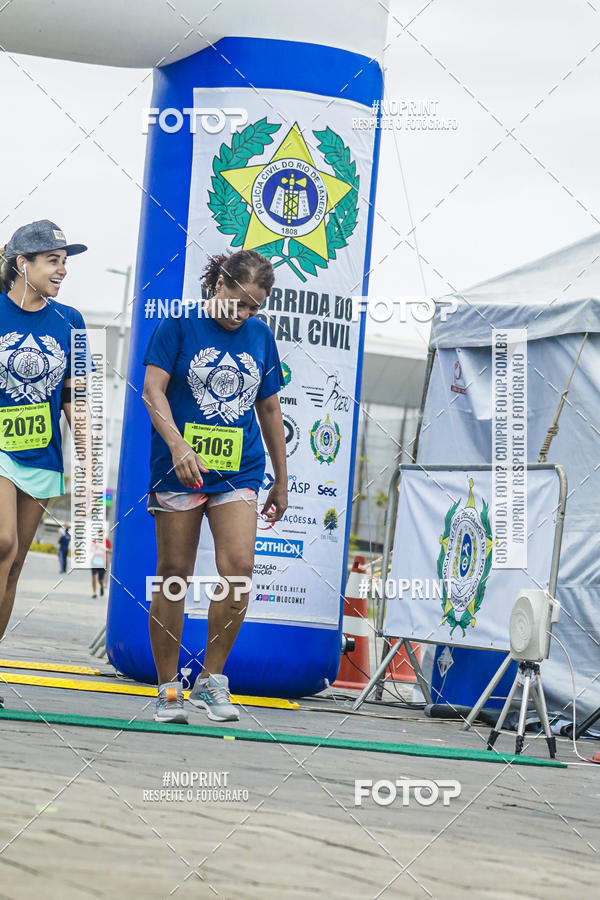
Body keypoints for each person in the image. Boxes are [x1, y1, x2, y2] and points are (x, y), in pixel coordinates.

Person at [143, 249, 287, 724]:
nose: (243, 314)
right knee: (174, 571)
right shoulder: (177, 327)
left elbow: (269, 410)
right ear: (218, 284)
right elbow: (153, 391)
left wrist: (280, 479)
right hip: (180, 467)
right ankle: (167, 689)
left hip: (239, 471)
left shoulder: (261, 338)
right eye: (238, 302)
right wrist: (179, 446)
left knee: (240, 567)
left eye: (254, 308)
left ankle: (211, 680)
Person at [0, 220, 89, 709]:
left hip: (42, 457)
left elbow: (76, 397)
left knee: (12, 568)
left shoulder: (70, 321)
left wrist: (89, 453)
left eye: (64, 262)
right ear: (23, 264)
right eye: (52, 260)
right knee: (2, 541)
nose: (62, 270)